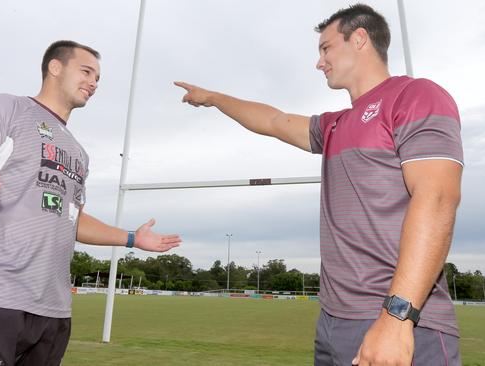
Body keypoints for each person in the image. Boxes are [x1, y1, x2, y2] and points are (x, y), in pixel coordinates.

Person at [175, 4, 462, 365]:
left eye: (325, 48)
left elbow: (437, 199)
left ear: (359, 39)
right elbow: (275, 121)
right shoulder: (334, 125)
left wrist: (397, 316)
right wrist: (214, 98)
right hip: (333, 322)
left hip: (397, 318)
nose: (319, 62)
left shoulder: (415, 95)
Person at [0, 40, 182, 366]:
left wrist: (132, 238)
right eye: (86, 71)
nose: (94, 83)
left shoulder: (78, 152)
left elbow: (71, 218)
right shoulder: (8, 108)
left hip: (53, 313)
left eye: (99, 78)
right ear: (55, 67)